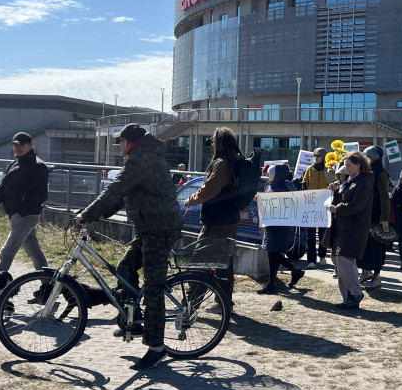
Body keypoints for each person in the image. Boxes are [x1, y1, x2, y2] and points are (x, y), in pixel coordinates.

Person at [76, 123, 183, 370]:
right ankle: (132, 321)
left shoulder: (141, 158)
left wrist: (88, 213)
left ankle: (156, 347)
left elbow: (117, 188)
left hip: (161, 228)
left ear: (129, 142)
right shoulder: (142, 156)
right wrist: (100, 215)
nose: (119, 147)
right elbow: (126, 194)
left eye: (120, 142)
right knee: (125, 268)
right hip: (150, 227)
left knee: (154, 286)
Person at [184, 127, 243, 309]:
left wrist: (191, 200)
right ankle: (224, 302)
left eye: (213, 141)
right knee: (224, 262)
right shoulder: (235, 161)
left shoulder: (223, 163)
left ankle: (191, 302)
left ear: (219, 143)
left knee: (201, 260)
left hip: (217, 220)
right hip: (230, 218)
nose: (211, 144)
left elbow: (209, 190)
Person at [0, 132, 50, 273]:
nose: (18, 148)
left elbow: (41, 195)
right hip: (16, 216)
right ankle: (48, 284)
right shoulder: (14, 164)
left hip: (26, 216)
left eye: (22, 145)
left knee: (7, 253)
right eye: (15, 145)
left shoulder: (39, 166)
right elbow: (1, 188)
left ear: (31, 145)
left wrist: (21, 213)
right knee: (34, 252)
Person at [328, 151, 373, 309]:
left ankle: (355, 293)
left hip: (354, 228)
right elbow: (343, 195)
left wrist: (337, 208)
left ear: (359, 165)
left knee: (345, 261)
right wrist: (335, 190)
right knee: (341, 262)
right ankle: (347, 297)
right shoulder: (350, 181)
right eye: (345, 166)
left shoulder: (364, 182)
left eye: (349, 165)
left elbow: (357, 205)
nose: (346, 169)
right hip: (342, 227)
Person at [257, 164, 306, 294]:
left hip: (280, 225)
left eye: (271, 174)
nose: (268, 176)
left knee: (273, 253)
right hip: (272, 224)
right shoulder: (271, 186)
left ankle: (273, 283)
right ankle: (293, 272)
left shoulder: (285, 188)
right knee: (272, 253)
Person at [358, 146, 391, 290]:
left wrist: (384, 218)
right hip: (365, 214)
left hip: (376, 215)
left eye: (367, 156)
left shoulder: (381, 174)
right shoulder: (365, 172)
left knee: (377, 247)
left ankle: (377, 277)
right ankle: (365, 272)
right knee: (364, 245)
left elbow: (384, 197)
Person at [302, 147, 335, 269]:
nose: (316, 158)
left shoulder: (330, 170)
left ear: (324, 157)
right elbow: (304, 184)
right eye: (315, 156)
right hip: (311, 205)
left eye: (319, 156)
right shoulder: (309, 169)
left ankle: (322, 255)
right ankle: (311, 260)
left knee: (322, 233)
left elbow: (334, 185)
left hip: (324, 206)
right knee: (310, 234)